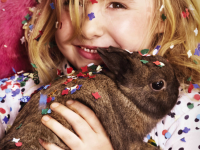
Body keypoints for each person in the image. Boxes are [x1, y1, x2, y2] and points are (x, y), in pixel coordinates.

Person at [0, 0, 200, 149]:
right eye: (71, 2)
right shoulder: (10, 95)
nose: (88, 29)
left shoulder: (187, 115)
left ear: (163, 18)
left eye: (116, 4)